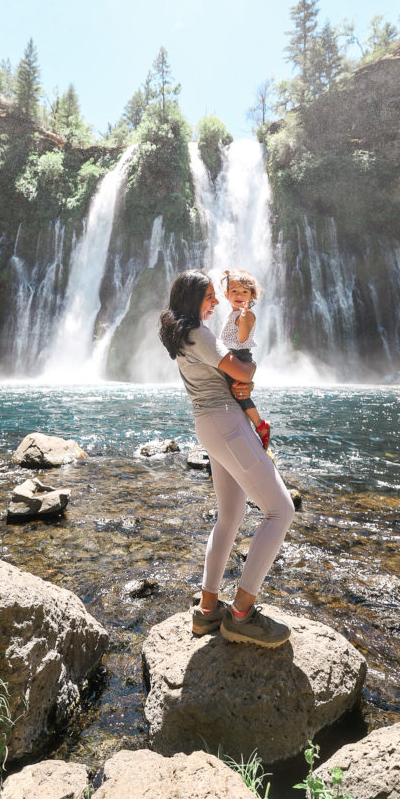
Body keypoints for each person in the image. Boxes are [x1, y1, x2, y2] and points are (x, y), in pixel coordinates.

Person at [159, 269, 294, 648]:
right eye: (209, 298)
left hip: (210, 425)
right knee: (281, 511)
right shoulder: (197, 334)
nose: (216, 302)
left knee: (231, 516)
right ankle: (241, 614)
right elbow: (241, 370)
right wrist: (249, 370)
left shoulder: (181, 335)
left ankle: (207, 611)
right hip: (226, 424)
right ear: (192, 301)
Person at [219, 268, 271, 450]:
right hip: (231, 354)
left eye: (244, 292)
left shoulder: (247, 315)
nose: (239, 295)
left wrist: (242, 319)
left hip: (239, 355)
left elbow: (242, 339)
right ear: (226, 294)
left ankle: (260, 425)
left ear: (252, 295)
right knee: (234, 393)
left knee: (240, 394)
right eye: (234, 291)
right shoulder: (232, 313)